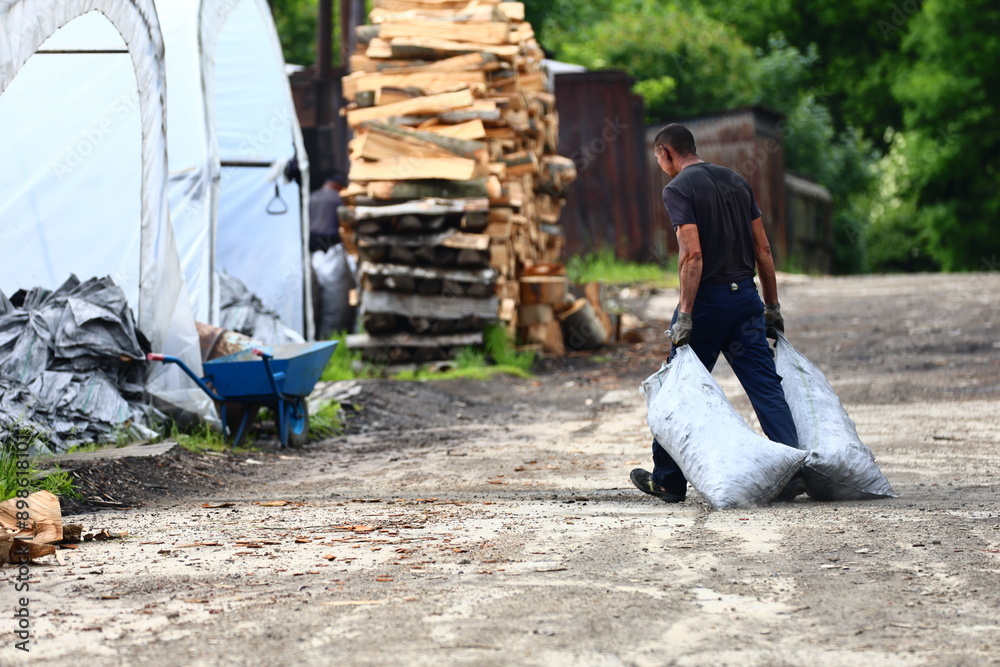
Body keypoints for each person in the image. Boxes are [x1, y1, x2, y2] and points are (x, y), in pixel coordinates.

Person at [630, 123, 805, 503]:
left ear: (665, 153)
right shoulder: (737, 182)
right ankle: (792, 471)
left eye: (658, 158)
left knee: (678, 390)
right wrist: (771, 306)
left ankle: (668, 481)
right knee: (765, 386)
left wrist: (686, 315)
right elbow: (764, 251)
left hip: (706, 303)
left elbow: (692, 255)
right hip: (745, 299)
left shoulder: (678, 188)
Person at [308, 174, 344, 252]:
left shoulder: (312, 196)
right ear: (336, 185)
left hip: (312, 235)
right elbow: (343, 217)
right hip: (329, 237)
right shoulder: (337, 197)